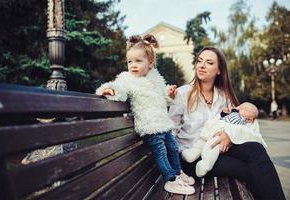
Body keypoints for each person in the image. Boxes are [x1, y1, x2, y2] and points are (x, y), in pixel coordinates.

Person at [169, 47, 285, 200]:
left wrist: (229, 136)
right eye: (199, 61)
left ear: (218, 70)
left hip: (219, 148)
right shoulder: (183, 94)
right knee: (248, 170)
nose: (202, 65)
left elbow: (239, 123)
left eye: (209, 62)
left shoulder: (223, 96)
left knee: (256, 150)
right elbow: (170, 132)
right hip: (192, 158)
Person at [96, 34, 195, 195]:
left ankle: (177, 173)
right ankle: (170, 180)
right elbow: (119, 89)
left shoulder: (155, 78)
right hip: (149, 126)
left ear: (150, 63)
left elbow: (165, 99)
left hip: (163, 123)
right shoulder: (127, 79)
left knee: (173, 147)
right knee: (161, 151)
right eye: (130, 61)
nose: (133, 65)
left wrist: (170, 93)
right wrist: (111, 90)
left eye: (138, 61)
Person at [181, 102, 267, 177]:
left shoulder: (241, 119)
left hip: (218, 138)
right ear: (239, 109)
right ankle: (190, 153)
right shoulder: (234, 114)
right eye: (245, 116)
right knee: (200, 144)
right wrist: (225, 113)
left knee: (212, 149)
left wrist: (231, 133)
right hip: (208, 134)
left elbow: (252, 132)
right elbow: (221, 117)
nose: (246, 120)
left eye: (249, 119)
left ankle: (205, 164)